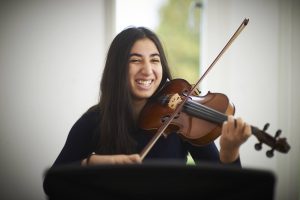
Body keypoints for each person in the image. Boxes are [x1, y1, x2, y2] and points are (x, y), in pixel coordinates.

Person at [44, 26, 251, 179]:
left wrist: (229, 152)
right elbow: (53, 183)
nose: (147, 70)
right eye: (135, 60)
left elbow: (227, 188)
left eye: (154, 60)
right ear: (117, 69)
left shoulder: (183, 121)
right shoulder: (95, 120)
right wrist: (94, 162)